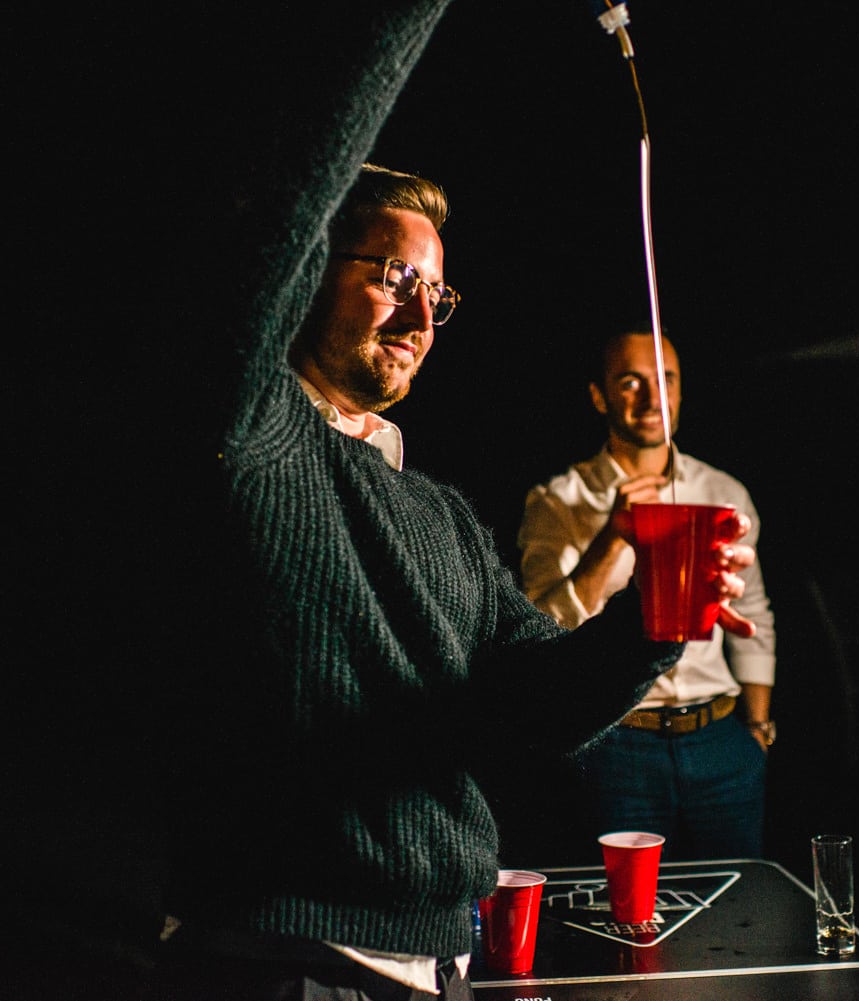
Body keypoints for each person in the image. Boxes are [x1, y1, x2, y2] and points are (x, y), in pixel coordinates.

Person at [152, 11, 761, 997]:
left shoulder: (440, 515)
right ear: (312, 270)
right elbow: (283, 208)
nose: (420, 314)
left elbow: (528, 706)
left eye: (437, 295)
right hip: (283, 960)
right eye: (393, 276)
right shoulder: (253, 437)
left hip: (433, 959)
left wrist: (652, 622)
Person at [516, 329, 778, 860]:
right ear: (599, 396)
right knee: (628, 915)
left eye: (666, 380)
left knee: (737, 901)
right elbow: (540, 632)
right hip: (619, 745)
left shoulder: (722, 492)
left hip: (721, 741)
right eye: (631, 382)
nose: (653, 398)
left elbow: (754, 613)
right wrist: (611, 537)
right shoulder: (557, 501)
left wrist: (755, 726)